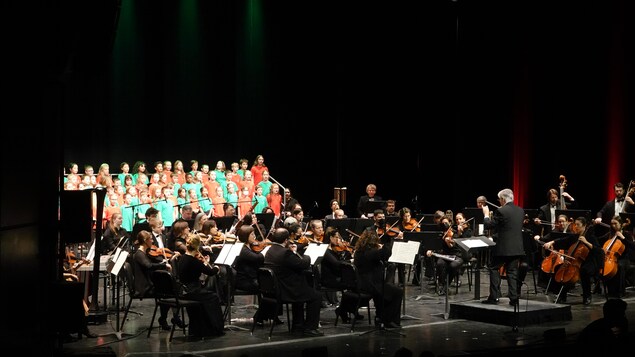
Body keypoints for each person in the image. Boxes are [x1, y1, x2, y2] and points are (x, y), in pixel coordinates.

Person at [264, 227, 324, 337]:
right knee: (316, 296)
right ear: (286, 240)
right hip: (287, 290)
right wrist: (305, 254)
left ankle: (298, 326)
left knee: (302, 293)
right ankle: (310, 328)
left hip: (274, 289)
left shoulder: (270, 250)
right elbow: (303, 264)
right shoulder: (286, 253)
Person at [540, 216, 601, 304]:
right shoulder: (575, 236)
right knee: (558, 268)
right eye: (575, 224)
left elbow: (598, 251)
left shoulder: (591, 237)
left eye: (578, 225)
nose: (576, 226)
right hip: (575, 261)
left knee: (584, 271)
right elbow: (563, 240)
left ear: (584, 226)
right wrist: (551, 242)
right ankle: (562, 296)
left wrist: (586, 242)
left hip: (589, 261)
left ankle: (587, 296)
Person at [481, 188, 526, 306]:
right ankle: (514, 298)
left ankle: (494, 297)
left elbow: (488, 226)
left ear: (502, 199)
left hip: (503, 248)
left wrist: (486, 215)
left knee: (494, 268)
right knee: (512, 272)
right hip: (517, 248)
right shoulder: (520, 211)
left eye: (499, 199)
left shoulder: (501, 211)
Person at [132, 230, 185, 331]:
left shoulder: (145, 252)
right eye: (151, 239)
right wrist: (163, 264)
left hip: (150, 283)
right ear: (145, 240)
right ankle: (171, 318)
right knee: (171, 292)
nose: (152, 241)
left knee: (172, 290)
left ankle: (169, 318)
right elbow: (148, 266)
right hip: (144, 287)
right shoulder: (139, 254)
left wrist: (164, 261)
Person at [176, 234, 225, 337]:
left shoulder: (182, 258)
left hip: (183, 291)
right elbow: (211, 272)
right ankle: (215, 328)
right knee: (214, 297)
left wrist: (204, 263)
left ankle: (202, 328)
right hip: (193, 292)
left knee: (208, 295)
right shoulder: (194, 261)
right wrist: (216, 267)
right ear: (197, 246)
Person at [353, 229, 403, 328]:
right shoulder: (371, 253)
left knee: (387, 291)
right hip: (371, 285)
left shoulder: (360, 251)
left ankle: (380, 317)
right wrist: (387, 244)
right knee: (397, 292)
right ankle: (389, 319)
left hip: (363, 283)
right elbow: (387, 253)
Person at [596, 215, 635, 298]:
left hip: (624, 259)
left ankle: (620, 291)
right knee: (600, 264)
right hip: (611, 258)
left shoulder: (626, 234)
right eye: (612, 224)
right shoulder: (610, 234)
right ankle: (609, 289)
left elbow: (632, 246)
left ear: (620, 224)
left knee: (619, 266)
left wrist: (623, 238)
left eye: (615, 224)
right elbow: (598, 240)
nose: (613, 226)